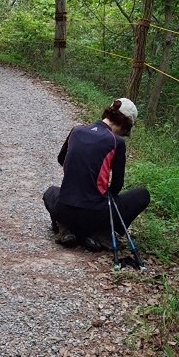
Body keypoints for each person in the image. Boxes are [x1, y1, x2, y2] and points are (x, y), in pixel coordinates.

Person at [42, 98, 150, 250]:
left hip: (64, 209)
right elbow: (117, 186)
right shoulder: (116, 142)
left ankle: (66, 228)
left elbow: (62, 159)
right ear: (125, 124)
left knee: (50, 192)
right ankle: (99, 231)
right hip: (95, 215)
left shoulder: (76, 130)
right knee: (142, 194)